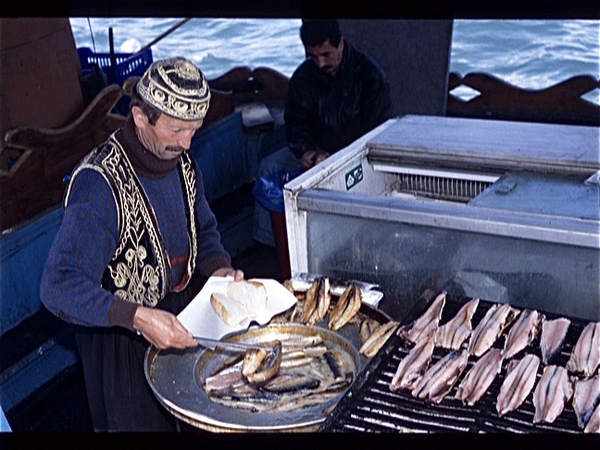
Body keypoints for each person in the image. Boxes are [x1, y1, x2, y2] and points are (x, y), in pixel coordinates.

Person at [40, 57, 244, 432]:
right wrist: (137, 317)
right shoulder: (98, 186)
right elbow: (57, 286)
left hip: (184, 315)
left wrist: (221, 270)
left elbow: (206, 227)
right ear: (139, 116)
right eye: (177, 129)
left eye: (194, 130)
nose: (186, 143)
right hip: (122, 338)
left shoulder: (182, 161)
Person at [253, 19, 392, 246]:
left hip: (354, 156)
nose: (320, 63)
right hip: (316, 151)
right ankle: (270, 245)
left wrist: (341, 159)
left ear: (341, 45)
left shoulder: (371, 77)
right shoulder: (303, 77)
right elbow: (295, 122)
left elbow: (376, 135)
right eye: (313, 57)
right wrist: (306, 152)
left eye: (326, 54)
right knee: (269, 167)